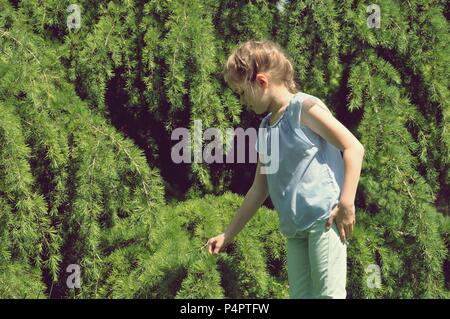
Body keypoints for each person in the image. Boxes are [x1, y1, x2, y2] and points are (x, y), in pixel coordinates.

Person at [207, 40, 365, 299]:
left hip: (325, 221)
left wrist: (346, 203)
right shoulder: (266, 128)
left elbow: (354, 148)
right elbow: (260, 188)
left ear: (261, 81)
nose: (242, 101)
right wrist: (228, 235)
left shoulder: (304, 109)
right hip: (295, 230)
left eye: (242, 93)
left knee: (329, 295)